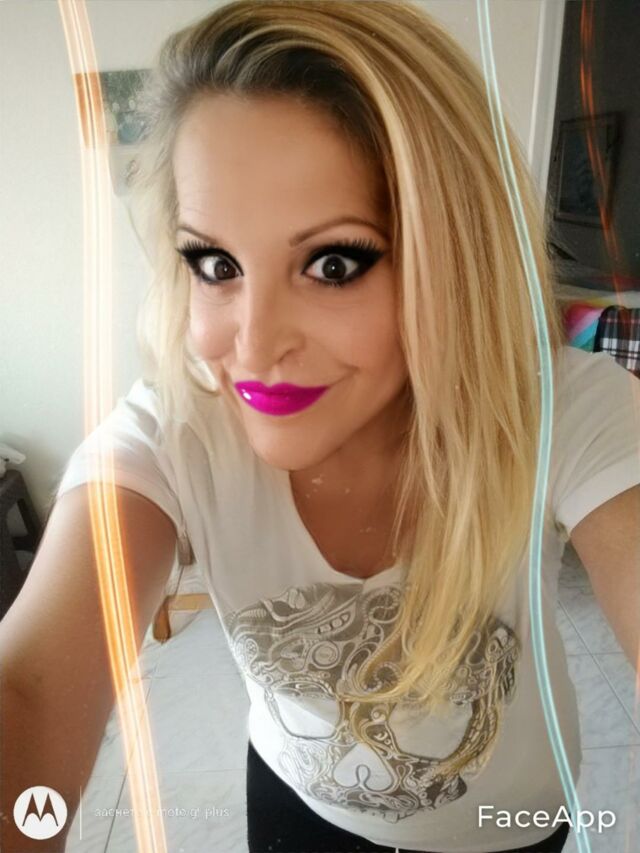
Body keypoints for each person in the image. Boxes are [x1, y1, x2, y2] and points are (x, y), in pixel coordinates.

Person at [2, 2, 639, 852]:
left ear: (456, 256)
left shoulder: (562, 409)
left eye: (333, 263)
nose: (253, 346)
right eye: (216, 263)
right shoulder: (176, 433)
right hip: (297, 806)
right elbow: (30, 691)